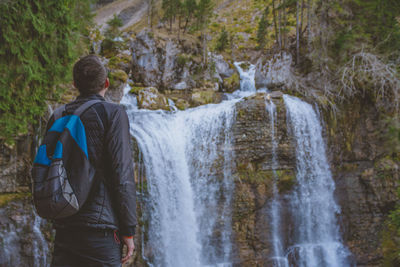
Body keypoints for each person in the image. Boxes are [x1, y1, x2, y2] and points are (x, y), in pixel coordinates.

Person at [50, 54, 137, 267]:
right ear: (106, 83)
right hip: (101, 233)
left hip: (64, 230)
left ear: (75, 84)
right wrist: (128, 230)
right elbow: (122, 175)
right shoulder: (113, 113)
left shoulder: (58, 115)